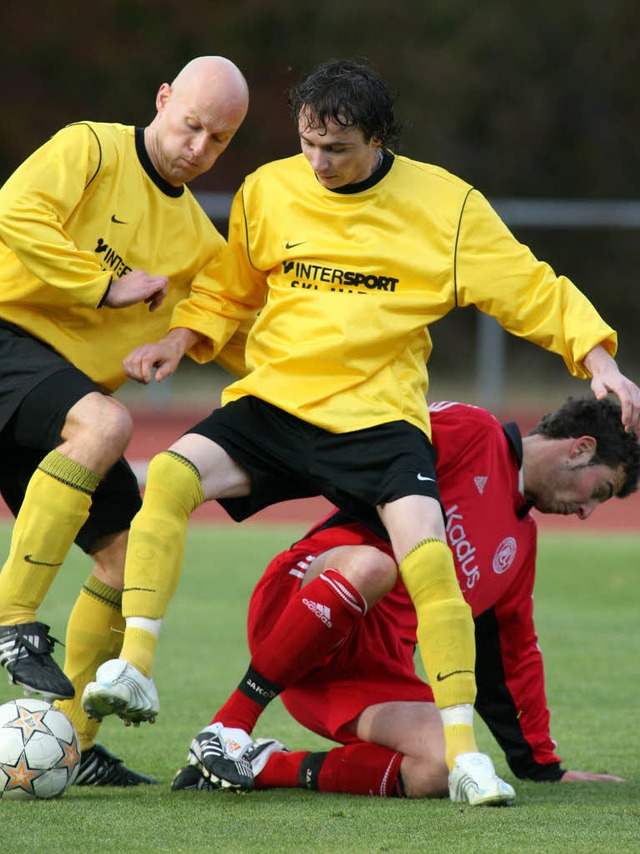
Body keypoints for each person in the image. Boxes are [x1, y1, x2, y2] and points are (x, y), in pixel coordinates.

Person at [82, 59, 640, 806]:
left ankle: (463, 758)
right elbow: (227, 290)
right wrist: (178, 341)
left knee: (428, 558)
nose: (316, 162)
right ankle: (137, 667)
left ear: (377, 139)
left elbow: (529, 288)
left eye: (335, 149)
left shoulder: (446, 207)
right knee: (176, 476)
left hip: (377, 417)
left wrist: (597, 357)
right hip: (280, 401)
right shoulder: (269, 190)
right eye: (307, 142)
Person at [171, 397, 639, 799]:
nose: (586, 511)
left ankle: (262, 767)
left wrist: (543, 766)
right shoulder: (473, 432)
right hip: (304, 602)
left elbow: (512, 659)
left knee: (445, 764)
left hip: (359, 675)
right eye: (599, 491)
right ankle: (231, 724)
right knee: (377, 567)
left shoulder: (520, 544)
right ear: (581, 448)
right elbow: (364, 445)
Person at [0, 56, 249, 786]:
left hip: (52, 400)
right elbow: (13, 214)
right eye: (192, 125)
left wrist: (359, 395)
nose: (199, 147)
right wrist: (104, 286)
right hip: (5, 334)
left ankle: (66, 743)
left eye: (219, 139)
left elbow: (245, 340)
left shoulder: (200, 248)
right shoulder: (91, 146)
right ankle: (13, 622)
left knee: (128, 556)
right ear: (162, 97)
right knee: (108, 425)